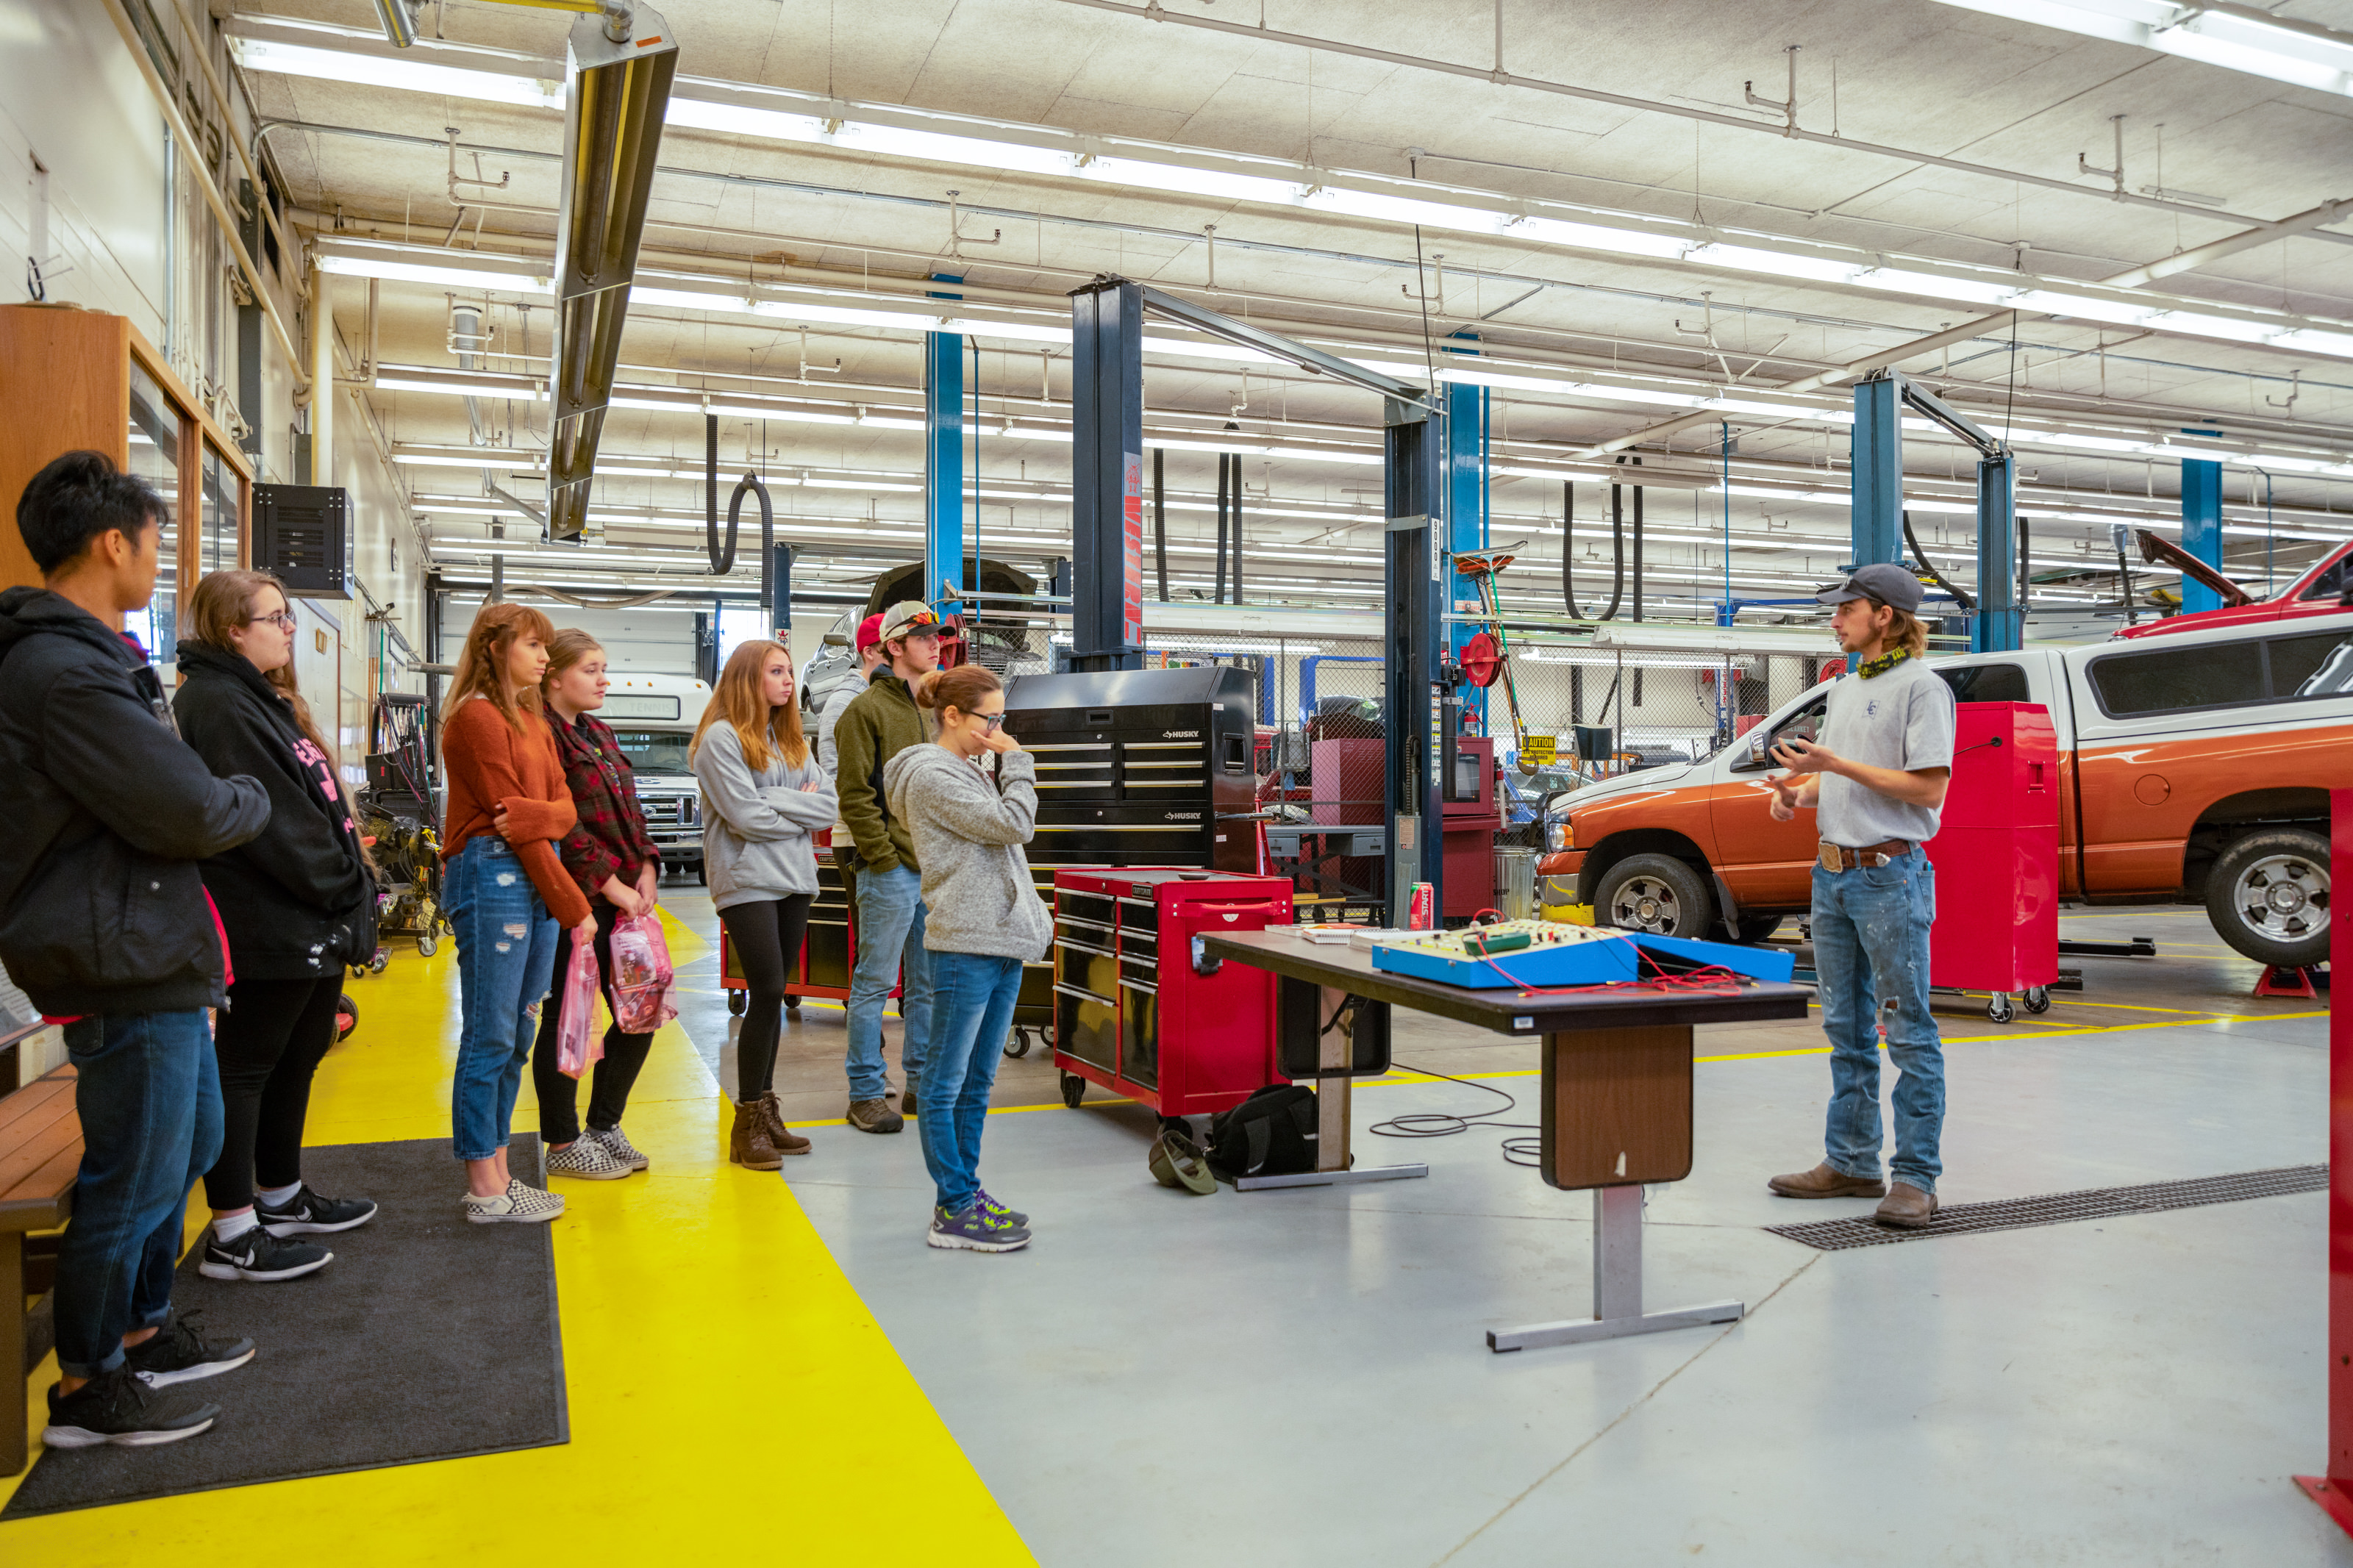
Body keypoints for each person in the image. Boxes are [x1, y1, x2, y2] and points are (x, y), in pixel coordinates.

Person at [0, 451, 270, 1447]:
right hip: (120, 955)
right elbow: (188, 804)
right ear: (112, 542)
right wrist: (247, 800)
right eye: (155, 540)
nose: (158, 560)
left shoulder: (94, 657)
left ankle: (143, 1325)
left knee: (187, 1146)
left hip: (149, 943)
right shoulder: (63, 671)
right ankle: (88, 1381)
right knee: (136, 1175)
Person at [173, 570, 380, 1283]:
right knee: (247, 1069)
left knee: (299, 1057)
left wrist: (348, 891)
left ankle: (282, 1196)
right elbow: (274, 824)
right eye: (276, 618)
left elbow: (314, 803)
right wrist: (345, 884)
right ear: (235, 629)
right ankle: (233, 1231)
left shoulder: (261, 700)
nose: (289, 629)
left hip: (309, 916)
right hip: (268, 917)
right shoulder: (218, 702)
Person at [1764, 562, 1957, 1230]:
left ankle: (1916, 1179)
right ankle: (1850, 1160)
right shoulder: (1845, 688)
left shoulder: (1924, 689)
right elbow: (1844, 779)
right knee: (1846, 1029)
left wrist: (1834, 765)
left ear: (1885, 615)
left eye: (1847, 608)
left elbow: (1927, 788)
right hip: (1833, 876)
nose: (1835, 618)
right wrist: (1799, 794)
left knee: (1908, 1032)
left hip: (1888, 876)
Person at [884, 665, 1049, 1252]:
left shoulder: (966, 771)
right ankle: (954, 1204)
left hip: (999, 939)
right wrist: (1019, 760)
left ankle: (963, 1196)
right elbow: (1015, 825)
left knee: (977, 1081)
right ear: (952, 716)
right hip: (965, 942)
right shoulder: (932, 776)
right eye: (991, 719)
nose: (999, 730)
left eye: (1003, 720)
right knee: (943, 1082)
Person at [441, 601, 596, 1222]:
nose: (543, 656)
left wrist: (544, 814)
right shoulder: (476, 719)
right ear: (495, 647)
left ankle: (501, 1170)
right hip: (494, 869)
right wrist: (574, 905)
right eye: (534, 645)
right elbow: (516, 824)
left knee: (520, 1030)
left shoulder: (532, 720)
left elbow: (563, 808)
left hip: (530, 867)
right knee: (492, 1031)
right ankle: (484, 1183)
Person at [692, 640, 836, 1168]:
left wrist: (773, 799)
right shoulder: (720, 740)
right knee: (768, 986)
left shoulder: (789, 740)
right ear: (748, 677)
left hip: (795, 879)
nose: (786, 680)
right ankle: (746, 1120)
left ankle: (767, 1107)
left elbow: (830, 804)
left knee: (774, 998)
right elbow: (744, 818)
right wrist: (794, 807)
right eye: (776, 671)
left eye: (789, 671)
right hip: (746, 879)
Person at [529, 629, 665, 1181]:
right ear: (554, 676)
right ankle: (563, 1141)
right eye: (590, 669)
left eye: (603, 668)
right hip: (579, 901)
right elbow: (567, 826)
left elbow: (629, 812)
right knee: (571, 1017)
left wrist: (650, 864)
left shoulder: (600, 732)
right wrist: (612, 886)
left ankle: (604, 1125)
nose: (603, 678)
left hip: (628, 899)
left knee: (642, 1012)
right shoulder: (543, 737)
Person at [830, 601, 946, 1132]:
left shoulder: (934, 710)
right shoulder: (865, 711)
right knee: (875, 982)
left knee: (926, 984)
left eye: (937, 635)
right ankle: (866, 1092)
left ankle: (921, 1084)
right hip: (890, 868)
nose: (935, 642)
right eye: (922, 636)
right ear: (893, 647)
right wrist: (882, 854)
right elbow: (855, 795)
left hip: (932, 868)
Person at [814, 612, 885, 781]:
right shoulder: (842, 705)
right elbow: (837, 781)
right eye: (893, 646)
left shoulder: (900, 698)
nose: (901, 653)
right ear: (869, 652)